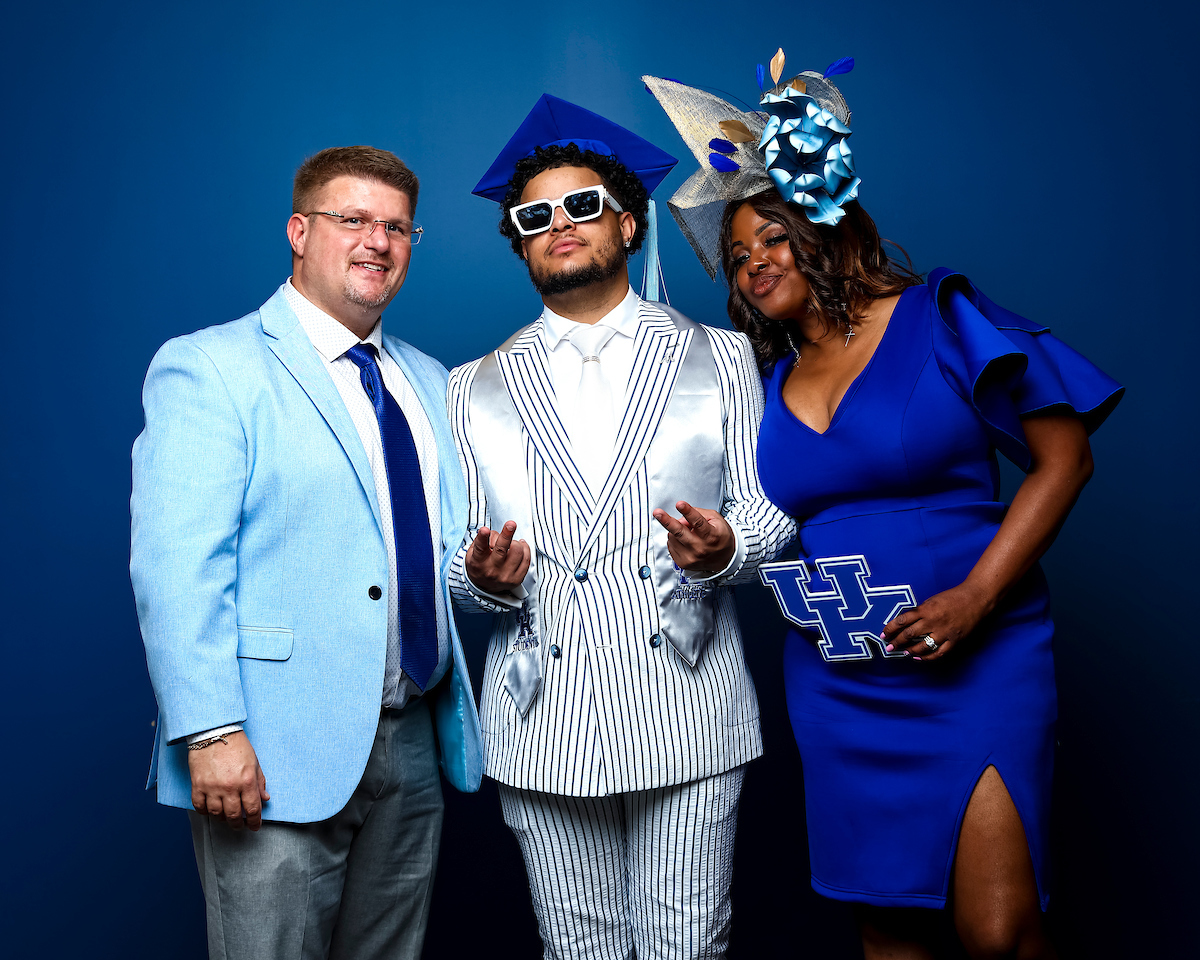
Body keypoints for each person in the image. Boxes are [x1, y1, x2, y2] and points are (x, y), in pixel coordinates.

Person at [647, 58, 1123, 960]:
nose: (754, 266)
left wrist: (976, 599)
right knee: (890, 933)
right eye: (739, 256)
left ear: (825, 223)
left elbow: (1066, 459)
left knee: (999, 933)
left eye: (774, 238)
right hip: (840, 682)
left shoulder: (940, 315)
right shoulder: (766, 380)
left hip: (981, 658)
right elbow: (752, 522)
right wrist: (711, 548)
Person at [447, 95, 796, 960]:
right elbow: (450, 556)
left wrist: (727, 550)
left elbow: (764, 510)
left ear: (629, 225)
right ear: (522, 243)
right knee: (578, 951)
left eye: (582, 205)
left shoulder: (719, 353)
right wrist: (480, 578)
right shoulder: (468, 385)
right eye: (536, 216)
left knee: (688, 947)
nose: (559, 224)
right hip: (543, 722)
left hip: (687, 703)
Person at [130, 145, 482, 960]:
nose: (378, 241)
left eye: (397, 227)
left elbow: (438, 548)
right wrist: (211, 730)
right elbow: (175, 564)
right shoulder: (211, 366)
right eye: (352, 219)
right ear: (298, 231)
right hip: (270, 751)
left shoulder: (428, 380)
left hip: (413, 740)